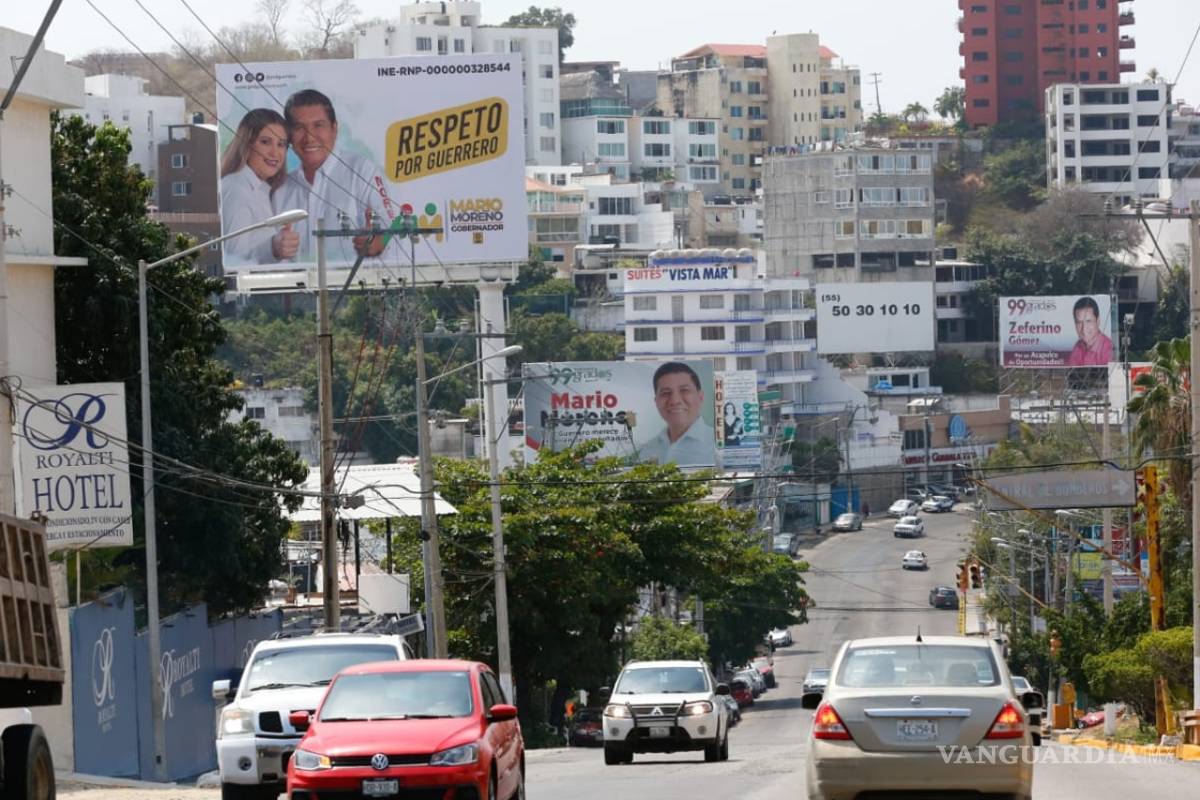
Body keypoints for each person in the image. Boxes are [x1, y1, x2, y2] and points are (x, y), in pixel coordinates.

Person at [272, 88, 395, 262]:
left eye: (318, 125)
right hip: (298, 287)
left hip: (353, 286)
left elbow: (391, 227)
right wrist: (273, 247)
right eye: (299, 128)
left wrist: (379, 242)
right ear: (289, 136)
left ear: (334, 129)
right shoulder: (281, 188)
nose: (309, 138)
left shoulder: (361, 170)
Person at [219, 108, 298, 265]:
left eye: (281, 144)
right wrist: (273, 248)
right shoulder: (237, 188)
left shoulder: (262, 190)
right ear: (247, 144)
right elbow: (233, 259)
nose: (275, 153)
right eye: (265, 142)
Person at [638, 363, 716, 467]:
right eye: (666, 393)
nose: (675, 401)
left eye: (684, 390)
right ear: (656, 402)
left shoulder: (717, 444)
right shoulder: (648, 449)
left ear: (700, 397)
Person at [1065, 296, 1113, 367]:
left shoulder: (1108, 348)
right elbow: (1071, 376)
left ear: (1098, 321)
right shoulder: (1078, 347)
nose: (1083, 328)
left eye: (1088, 321)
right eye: (1079, 322)